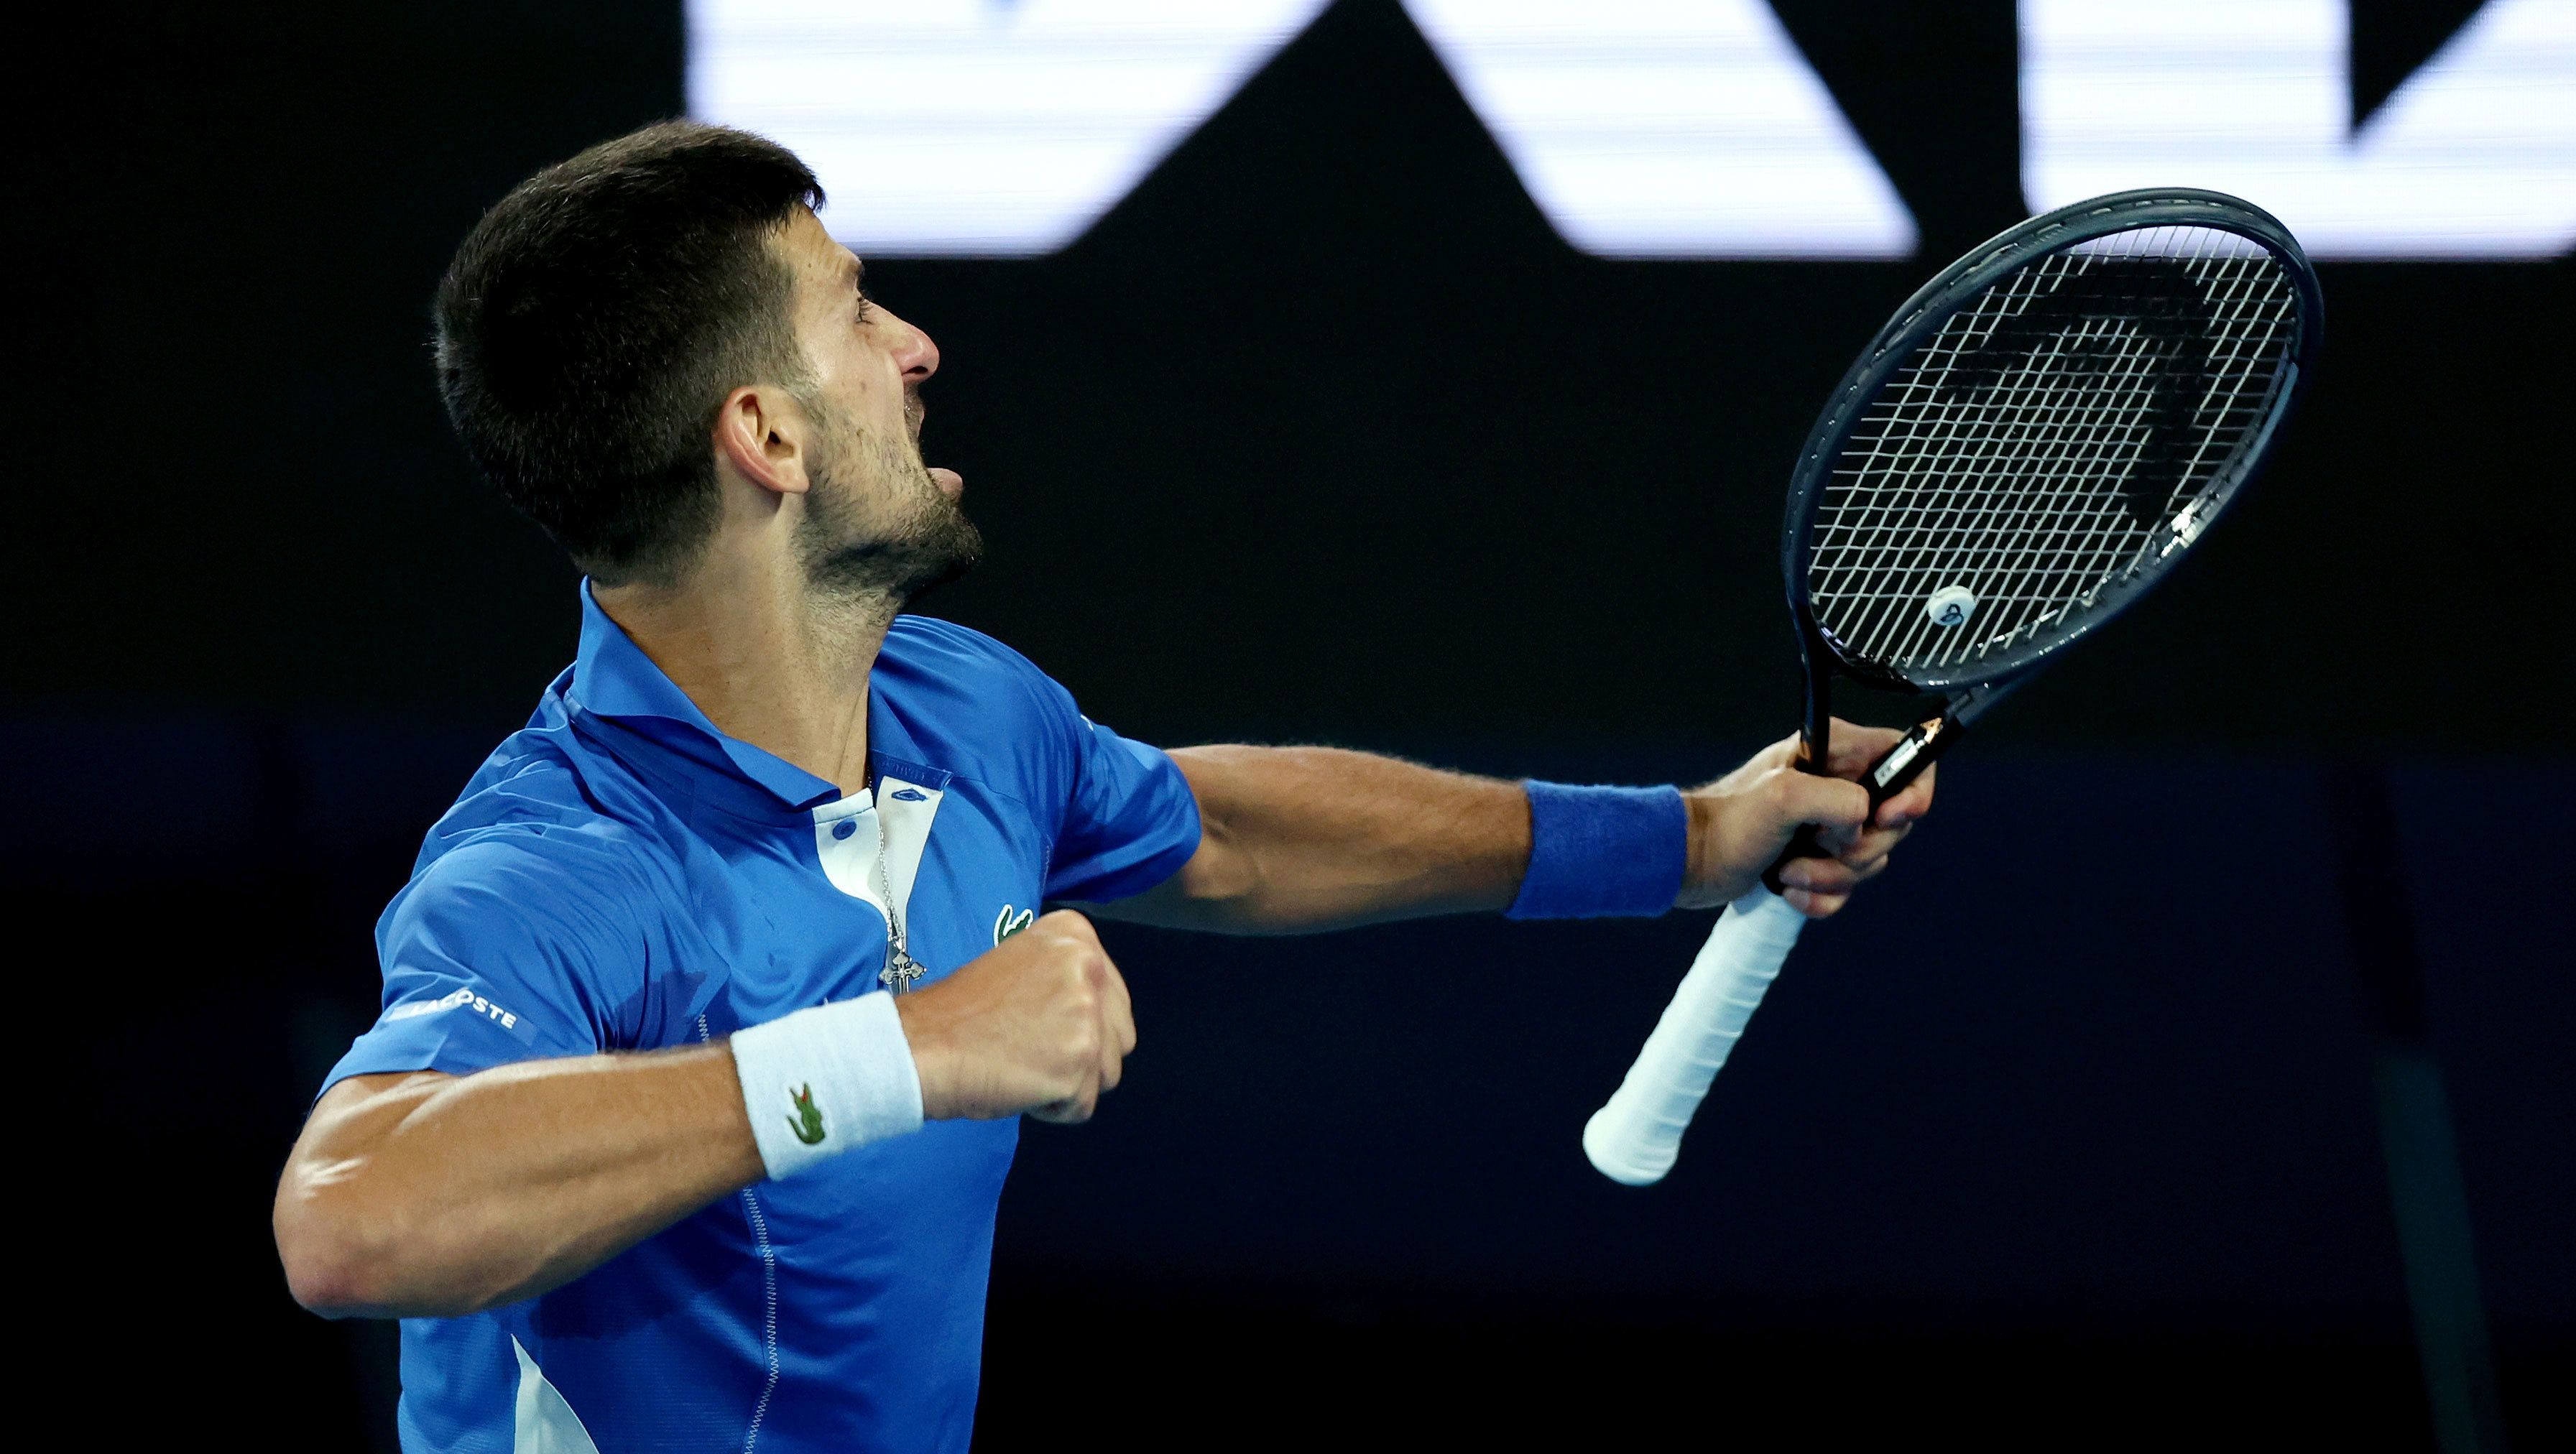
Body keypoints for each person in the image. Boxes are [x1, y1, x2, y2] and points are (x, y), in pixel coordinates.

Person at [272, 121, 1934, 1453]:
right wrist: (902, 1050)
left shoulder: (953, 705)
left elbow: (1215, 830)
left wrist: (1690, 839)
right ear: (764, 438)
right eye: (857, 311)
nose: (917, 347)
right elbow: (354, 1219)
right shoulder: (558, 864)